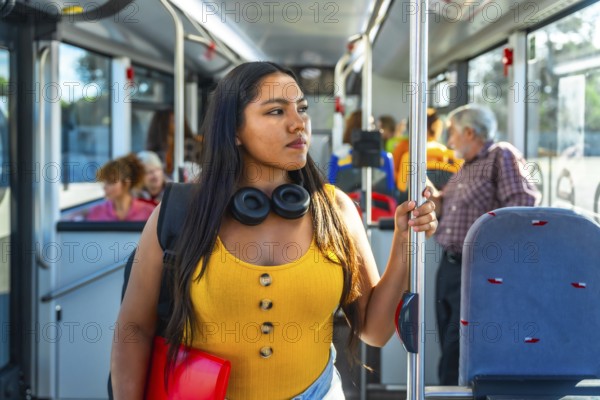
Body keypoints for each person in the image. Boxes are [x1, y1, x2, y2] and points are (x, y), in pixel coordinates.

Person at [110, 61, 438, 399]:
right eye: (276, 111)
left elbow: (374, 330)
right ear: (235, 130)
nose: (299, 123)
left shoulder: (335, 210)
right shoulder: (182, 211)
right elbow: (134, 328)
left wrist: (404, 240)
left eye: (302, 109)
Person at [430, 104, 540, 385]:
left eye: (453, 133)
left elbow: (522, 205)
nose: (450, 141)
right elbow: (452, 209)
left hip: (480, 270)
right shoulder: (467, 167)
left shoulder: (501, 156)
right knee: (447, 339)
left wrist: (491, 251)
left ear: (469, 132)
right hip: (450, 266)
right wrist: (436, 201)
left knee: (461, 349)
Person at [86, 154, 155, 222]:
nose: (105, 187)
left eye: (111, 181)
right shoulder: (96, 212)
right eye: (105, 182)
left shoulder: (148, 212)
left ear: (126, 183)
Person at [146, 108, 202, 178]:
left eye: (180, 120)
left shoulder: (191, 145)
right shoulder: (155, 150)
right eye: (173, 121)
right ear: (162, 124)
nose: (178, 123)